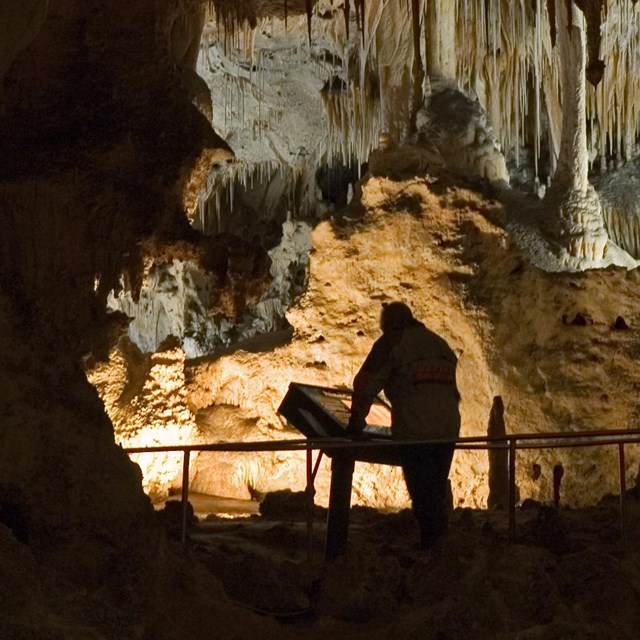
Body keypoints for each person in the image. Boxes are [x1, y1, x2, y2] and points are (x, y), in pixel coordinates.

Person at [347, 302, 460, 548]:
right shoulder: (438, 343)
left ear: (388, 324)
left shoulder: (393, 342)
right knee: (436, 492)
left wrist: (355, 422)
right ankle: (440, 549)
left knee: (422, 496)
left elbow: (366, 383)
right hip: (448, 429)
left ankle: (431, 554)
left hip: (416, 431)